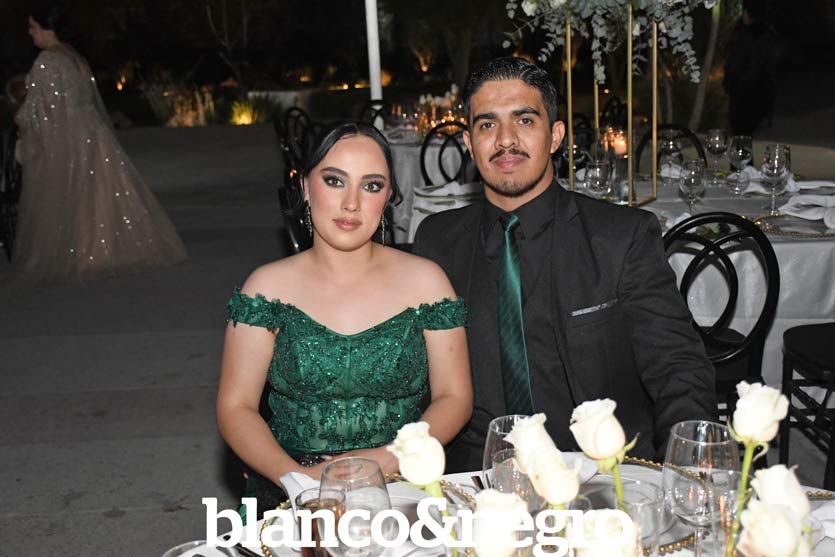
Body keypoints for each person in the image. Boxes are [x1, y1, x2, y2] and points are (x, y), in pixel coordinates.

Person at [413, 57, 717, 472]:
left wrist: (688, 470)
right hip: (475, 474)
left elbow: (677, 367)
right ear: (469, 143)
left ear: (555, 136)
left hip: (596, 471)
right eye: (487, 125)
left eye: (524, 120)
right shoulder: (438, 241)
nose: (505, 140)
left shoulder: (620, 238)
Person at [217, 121, 472, 513]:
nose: (352, 203)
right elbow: (236, 407)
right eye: (335, 181)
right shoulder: (265, 288)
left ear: (389, 195)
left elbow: (454, 397)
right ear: (305, 186)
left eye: (371, 186)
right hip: (289, 486)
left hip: (402, 481)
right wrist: (300, 482)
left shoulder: (427, 282)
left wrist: (389, 459)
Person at [7, 4, 187, 286]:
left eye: (32, 27)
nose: (30, 33)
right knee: (97, 193)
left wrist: (20, 118)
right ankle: (97, 251)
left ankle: (85, 254)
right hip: (92, 132)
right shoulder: (74, 56)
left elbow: (44, 108)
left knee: (75, 192)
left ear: (46, 27)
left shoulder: (47, 60)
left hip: (70, 135)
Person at [722, 0, 777, 135]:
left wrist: (730, 82)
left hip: (744, 91)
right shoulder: (768, 33)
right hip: (759, 90)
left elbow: (737, 63)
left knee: (741, 131)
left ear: (747, 13)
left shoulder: (744, 34)